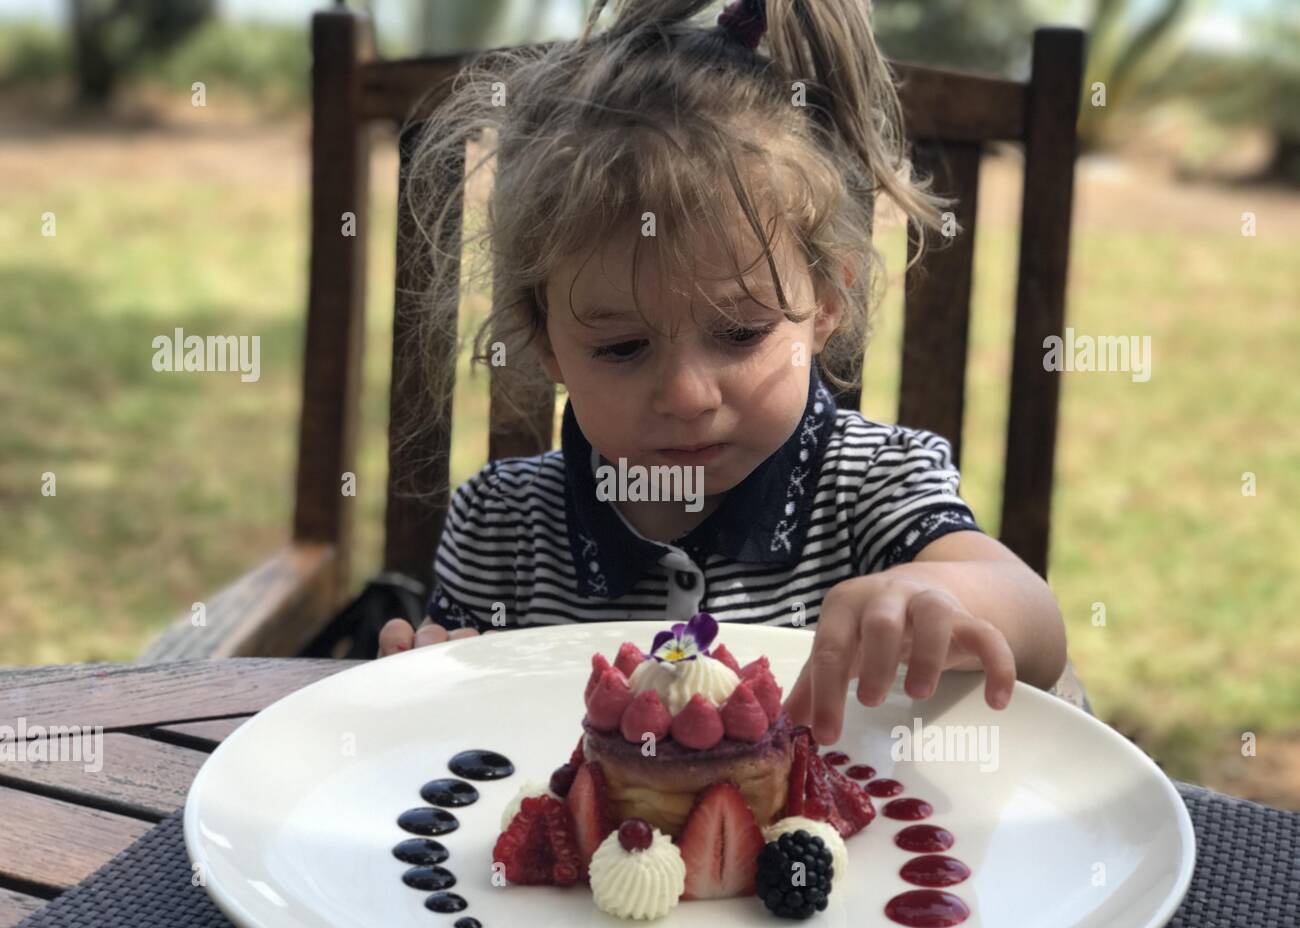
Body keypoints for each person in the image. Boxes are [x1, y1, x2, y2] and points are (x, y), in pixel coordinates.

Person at [378, 0, 1067, 746]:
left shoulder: (875, 485)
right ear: (546, 342)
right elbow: (467, 742)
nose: (686, 395)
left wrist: (937, 593)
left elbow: (1037, 625)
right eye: (622, 348)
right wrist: (429, 681)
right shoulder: (501, 527)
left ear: (828, 301)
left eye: (739, 333)